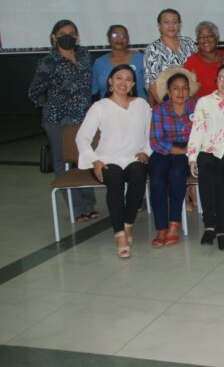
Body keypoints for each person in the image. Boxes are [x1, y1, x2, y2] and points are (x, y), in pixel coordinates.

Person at [76, 64, 152, 258]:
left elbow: (152, 133)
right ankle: (119, 233)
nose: (123, 83)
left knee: (138, 177)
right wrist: (94, 161)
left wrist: (147, 152)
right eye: (119, 78)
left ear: (134, 83)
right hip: (106, 159)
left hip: (134, 157)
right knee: (115, 180)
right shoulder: (100, 107)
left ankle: (128, 224)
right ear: (110, 81)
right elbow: (82, 137)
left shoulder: (141, 104)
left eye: (128, 79)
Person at [29, 19, 98, 222]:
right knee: (62, 163)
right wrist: (52, 105)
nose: (67, 36)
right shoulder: (47, 62)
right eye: (62, 33)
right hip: (57, 121)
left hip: (84, 119)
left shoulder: (86, 56)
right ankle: (77, 210)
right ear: (54, 37)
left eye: (71, 33)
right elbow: (34, 91)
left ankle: (89, 205)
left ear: (77, 36)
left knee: (85, 160)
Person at [187, 64, 224, 251]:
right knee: (207, 176)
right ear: (216, 80)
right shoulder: (205, 102)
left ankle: (221, 229)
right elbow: (197, 130)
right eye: (220, 78)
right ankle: (209, 224)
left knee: (221, 178)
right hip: (208, 150)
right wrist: (192, 158)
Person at [148, 67, 199, 248]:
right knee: (156, 178)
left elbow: (202, 132)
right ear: (168, 91)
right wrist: (181, 150)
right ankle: (161, 227)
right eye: (176, 88)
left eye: (184, 88)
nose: (180, 92)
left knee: (177, 174)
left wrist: (189, 150)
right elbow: (155, 141)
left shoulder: (196, 106)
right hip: (164, 151)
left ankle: (174, 224)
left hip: (188, 152)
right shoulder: (159, 109)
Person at [143, 8, 197, 105]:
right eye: (166, 22)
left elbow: (196, 74)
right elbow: (151, 84)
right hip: (164, 102)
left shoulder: (189, 43)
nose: (171, 26)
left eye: (175, 22)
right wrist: (166, 108)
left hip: (190, 101)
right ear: (159, 26)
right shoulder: (152, 49)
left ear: (179, 25)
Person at [92, 24, 147, 100]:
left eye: (124, 35)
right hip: (107, 109)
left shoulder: (141, 58)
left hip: (137, 108)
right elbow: (94, 91)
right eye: (115, 35)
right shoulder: (99, 63)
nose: (120, 39)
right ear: (108, 38)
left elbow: (152, 87)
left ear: (128, 39)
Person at [183, 21, 224, 98]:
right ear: (197, 41)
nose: (206, 40)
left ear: (217, 38)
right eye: (201, 37)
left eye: (210, 36)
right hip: (203, 108)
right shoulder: (191, 62)